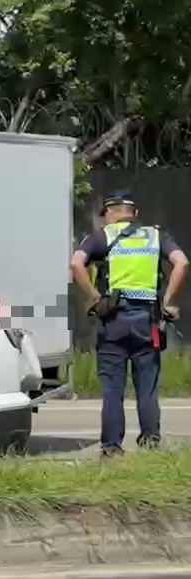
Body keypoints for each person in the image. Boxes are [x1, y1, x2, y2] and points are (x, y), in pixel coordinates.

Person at [70, 190, 189, 457]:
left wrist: (93, 296)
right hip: (148, 321)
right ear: (133, 213)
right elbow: (181, 262)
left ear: (110, 212)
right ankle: (150, 444)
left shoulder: (102, 237)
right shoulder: (156, 236)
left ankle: (112, 448)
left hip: (113, 320)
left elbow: (76, 264)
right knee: (147, 388)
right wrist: (167, 300)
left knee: (113, 389)